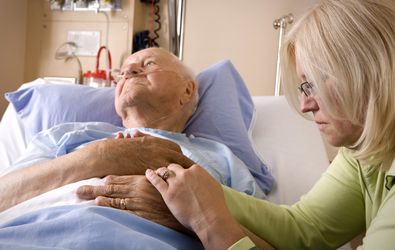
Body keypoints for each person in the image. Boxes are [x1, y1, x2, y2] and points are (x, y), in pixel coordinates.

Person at [139, 0, 395, 249]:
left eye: (312, 85)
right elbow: (305, 228)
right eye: (302, 88)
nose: (306, 105)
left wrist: (209, 221)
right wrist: (204, 190)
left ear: (364, 71)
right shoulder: (368, 149)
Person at [0, 47, 267, 237]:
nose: (128, 71)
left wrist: (184, 217)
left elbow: (266, 236)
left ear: (187, 90)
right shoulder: (67, 135)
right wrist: (101, 157)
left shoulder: (220, 159)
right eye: (123, 72)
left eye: (148, 64)